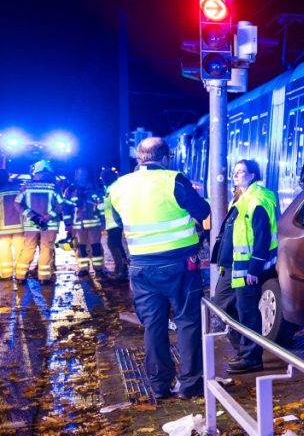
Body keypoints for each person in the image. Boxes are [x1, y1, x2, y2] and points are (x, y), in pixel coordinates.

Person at [107, 138, 210, 400]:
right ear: (166, 157)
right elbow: (202, 210)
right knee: (187, 322)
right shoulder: (173, 179)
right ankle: (189, 385)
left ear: (139, 158)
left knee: (153, 326)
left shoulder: (118, 186)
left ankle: (159, 386)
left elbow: (116, 227)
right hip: (180, 266)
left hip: (141, 267)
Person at [210, 159, 277, 374]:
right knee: (221, 307)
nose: (236, 176)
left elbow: (262, 237)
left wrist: (254, 270)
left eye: (241, 172)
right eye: (234, 172)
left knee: (247, 313)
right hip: (231, 267)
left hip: (247, 269)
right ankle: (243, 351)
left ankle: (251, 358)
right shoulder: (240, 199)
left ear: (253, 175)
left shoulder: (258, 199)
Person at [15, 160, 64, 284]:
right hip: (50, 225)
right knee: (46, 248)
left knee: (28, 248)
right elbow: (60, 205)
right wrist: (47, 217)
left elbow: (17, 204)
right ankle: (44, 277)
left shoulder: (26, 187)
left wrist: (32, 216)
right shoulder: (54, 187)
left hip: (30, 224)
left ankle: (20, 276)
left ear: (35, 171)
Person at [66, 167, 106, 277]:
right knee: (80, 247)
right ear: (76, 175)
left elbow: (101, 207)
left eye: (84, 174)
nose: (82, 177)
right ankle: (83, 268)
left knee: (96, 247)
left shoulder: (96, 188)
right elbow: (66, 208)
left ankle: (98, 269)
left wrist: (103, 221)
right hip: (78, 225)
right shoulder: (70, 190)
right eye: (79, 174)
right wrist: (68, 224)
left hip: (94, 223)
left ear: (87, 175)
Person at [100, 168, 128, 280]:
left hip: (115, 222)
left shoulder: (114, 188)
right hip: (113, 222)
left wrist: (97, 206)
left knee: (113, 245)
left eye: (104, 178)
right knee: (116, 245)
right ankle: (121, 269)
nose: (102, 180)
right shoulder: (112, 187)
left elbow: (111, 204)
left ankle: (121, 271)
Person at [0, 168, 24, 281]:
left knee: (4, 252)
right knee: (20, 251)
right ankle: (20, 276)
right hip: (19, 226)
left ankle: (6, 274)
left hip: (2, 228)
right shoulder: (17, 189)